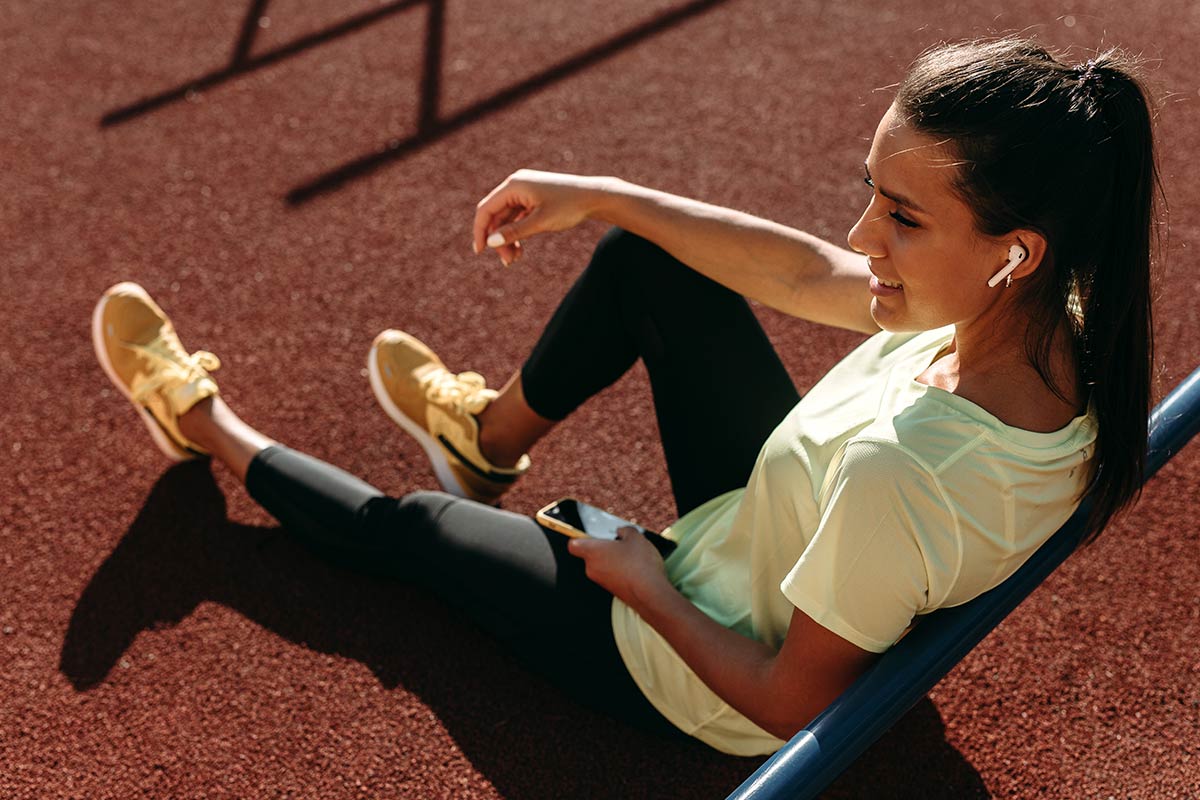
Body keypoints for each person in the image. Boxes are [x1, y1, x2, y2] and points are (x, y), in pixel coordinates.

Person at [91, 37, 1160, 757]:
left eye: (902, 219)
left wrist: (645, 583)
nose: (860, 236)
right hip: (781, 525)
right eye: (871, 195)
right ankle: (483, 441)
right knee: (651, 260)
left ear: (1015, 249)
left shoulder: (906, 471)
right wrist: (604, 195)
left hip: (696, 659)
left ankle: (197, 418)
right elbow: (803, 273)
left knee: (411, 530)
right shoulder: (1043, 319)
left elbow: (788, 704)